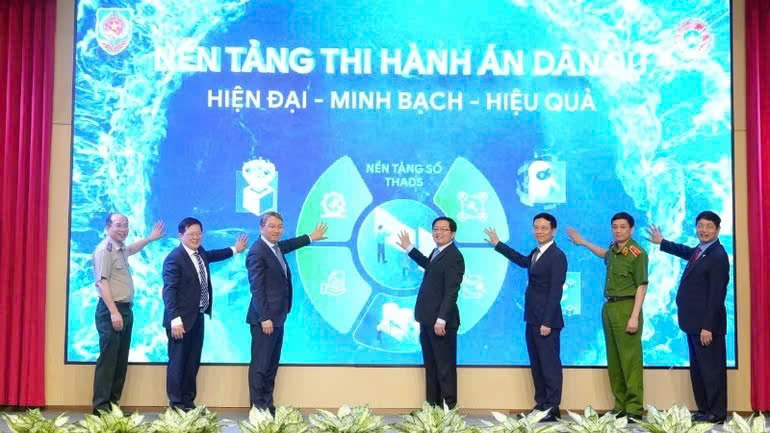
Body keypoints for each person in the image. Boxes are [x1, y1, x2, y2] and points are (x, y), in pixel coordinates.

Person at [646, 211, 729, 423]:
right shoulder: (701, 251)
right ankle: (705, 409)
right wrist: (662, 242)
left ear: (718, 230)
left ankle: (717, 413)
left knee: (711, 371)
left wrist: (708, 327)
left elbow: (717, 295)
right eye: (701, 225)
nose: (704, 230)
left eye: (709, 226)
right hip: (693, 324)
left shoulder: (718, 256)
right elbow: (686, 251)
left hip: (707, 327)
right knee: (699, 370)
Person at [484, 213, 567, 422]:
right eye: (536, 227)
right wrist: (498, 244)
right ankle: (541, 406)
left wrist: (547, 321)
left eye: (544, 228)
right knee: (537, 365)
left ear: (553, 231)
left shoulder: (557, 255)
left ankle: (552, 408)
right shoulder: (536, 252)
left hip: (547, 321)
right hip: (532, 318)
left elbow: (556, 291)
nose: (539, 231)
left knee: (549, 365)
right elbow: (522, 261)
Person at [567, 212, 648, 422]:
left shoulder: (637, 253)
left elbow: (642, 286)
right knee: (614, 359)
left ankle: (634, 408)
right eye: (615, 227)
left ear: (631, 229)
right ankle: (620, 405)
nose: (618, 230)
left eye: (622, 227)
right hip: (609, 307)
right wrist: (583, 242)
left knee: (630, 360)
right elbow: (604, 254)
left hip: (627, 308)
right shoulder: (613, 249)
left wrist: (634, 316)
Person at [162, 217, 248, 410]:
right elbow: (169, 291)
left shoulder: (199, 251)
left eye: (199, 233)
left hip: (197, 316)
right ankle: (176, 405)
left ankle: (188, 402)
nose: (196, 237)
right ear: (181, 235)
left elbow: (212, 255)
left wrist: (235, 249)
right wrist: (175, 320)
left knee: (192, 363)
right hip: (179, 321)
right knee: (178, 363)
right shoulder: (174, 258)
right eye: (191, 234)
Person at [246, 211, 327, 414]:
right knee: (261, 365)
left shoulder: (275, 247)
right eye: (272, 226)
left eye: (280, 227)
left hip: (278, 317)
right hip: (265, 319)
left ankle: (267, 405)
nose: (277, 230)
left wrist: (311, 237)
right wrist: (265, 317)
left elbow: (290, 244)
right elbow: (257, 289)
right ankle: (258, 407)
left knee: (271, 365)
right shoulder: (257, 251)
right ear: (262, 228)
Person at [91, 213, 165, 414]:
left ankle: (113, 408)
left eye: (125, 225)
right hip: (112, 311)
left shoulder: (120, 248)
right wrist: (114, 312)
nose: (123, 229)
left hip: (124, 310)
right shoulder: (104, 250)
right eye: (118, 225)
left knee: (119, 361)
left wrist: (149, 238)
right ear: (108, 227)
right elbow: (101, 282)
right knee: (108, 361)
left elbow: (132, 249)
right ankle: (101, 410)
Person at [396, 217, 465, 409]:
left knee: (444, 367)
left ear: (452, 233)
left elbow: (451, 291)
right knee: (432, 366)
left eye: (443, 229)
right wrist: (409, 248)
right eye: (435, 229)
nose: (438, 232)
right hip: (427, 319)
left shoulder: (454, 256)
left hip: (441, 322)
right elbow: (430, 266)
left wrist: (442, 318)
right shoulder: (438, 251)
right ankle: (432, 408)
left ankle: (449, 408)